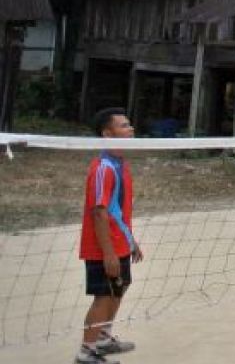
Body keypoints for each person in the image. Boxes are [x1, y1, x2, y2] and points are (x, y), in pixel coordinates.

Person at [77, 108, 143, 364]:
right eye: (124, 126)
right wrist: (108, 253)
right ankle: (86, 352)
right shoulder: (103, 167)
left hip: (119, 244)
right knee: (103, 296)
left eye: (130, 124)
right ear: (107, 133)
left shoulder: (121, 164)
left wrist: (130, 242)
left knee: (119, 287)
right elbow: (100, 212)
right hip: (104, 248)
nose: (131, 129)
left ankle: (103, 338)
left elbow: (118, 210)